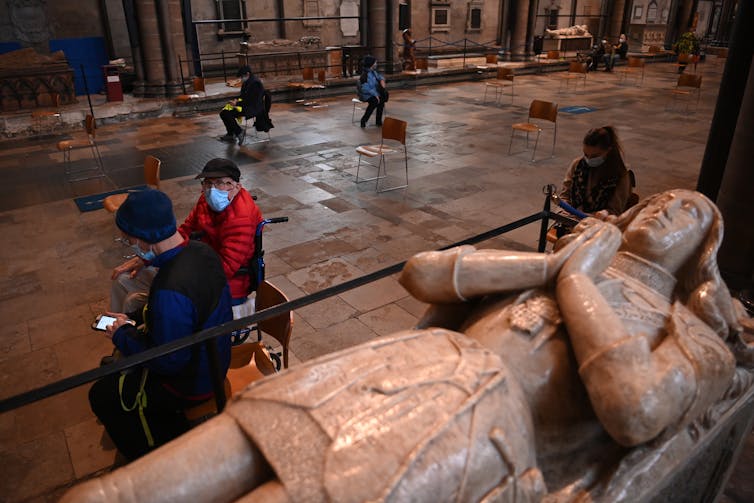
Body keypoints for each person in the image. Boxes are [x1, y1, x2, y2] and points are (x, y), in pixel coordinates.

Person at [63, 189, 754, 502]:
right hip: (414, 362)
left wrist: (576, 279)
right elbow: (422, 273)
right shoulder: (576, 257)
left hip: (485, 424)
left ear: (705, 248)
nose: (668, 206)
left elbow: (633, 407)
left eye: (691, 209)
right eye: (662, 197)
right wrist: (556, 264)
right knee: (123, 489)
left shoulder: (689, 331)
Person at [89, 189, 234, 461]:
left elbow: (167, 362)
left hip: (192, 384)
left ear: (142, 239)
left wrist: (122, 335)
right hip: (215, 358)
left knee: (102, 395)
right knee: (118, 364)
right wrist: (133, 324)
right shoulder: (201, 251)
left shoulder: (170, 288)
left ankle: (152, 459)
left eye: (128, 238)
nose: (128, 242)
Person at [111, 158, 263, 319]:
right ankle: (117, 325)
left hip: (224, 286)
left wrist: (179, 274)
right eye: (208, 183)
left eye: (221, 183)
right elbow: (184, 231)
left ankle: (135, 329)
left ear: (236, 187)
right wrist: (148, 258)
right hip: (196, 265)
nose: (212, 189)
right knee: (122, 280)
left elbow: (224, 269)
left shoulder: (241, 218)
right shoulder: (206, 200)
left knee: (141, 300)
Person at [555, 126, 632, 236]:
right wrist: (563, 211)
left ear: (608, 151)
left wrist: (595, 216)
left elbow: (615, 211)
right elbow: (565, 195)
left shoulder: (620, 175)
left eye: (595, 156)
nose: (589, 160)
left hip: (598, 230)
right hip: (571, 222)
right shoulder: (577, 165)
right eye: (586, 155)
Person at [219, 65, 265, 144]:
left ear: (247, 74)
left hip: (253, 108)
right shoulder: (247, 82)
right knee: (223, 113)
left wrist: (237, 103)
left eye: (242, 76)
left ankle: (239, 132)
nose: (241, 79)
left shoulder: (255, 83)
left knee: (227, 114)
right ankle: (231, 134)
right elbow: (243, 96)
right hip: (245, 105)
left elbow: (252, 101)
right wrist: (236, 100)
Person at [357, 55, 388, 128]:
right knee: (374, 101)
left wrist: (382, 80)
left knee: (381, 100)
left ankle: (378, 121)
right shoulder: (365, 75)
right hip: (365, 94)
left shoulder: (373, 72)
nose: (376, 64)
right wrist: (375, 94)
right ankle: (363, 120)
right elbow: (365, 88)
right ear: (371, 64)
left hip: (373, 93)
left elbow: (379, 77)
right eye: (375, 63)